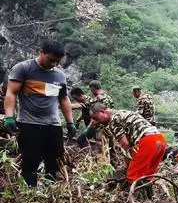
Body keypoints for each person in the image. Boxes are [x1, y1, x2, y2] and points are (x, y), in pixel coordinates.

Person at [2, 40, 76, 186]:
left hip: (53, 125)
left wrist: (70, 122)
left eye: (57, 61)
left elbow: (64, 99)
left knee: (53, 160)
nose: (54, 64)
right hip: (29, 124)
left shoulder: (59, 76)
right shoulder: (23, 68)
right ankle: (30, 193)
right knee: (31, 160)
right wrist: (9, 117)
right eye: (50, 60)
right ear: (41, 52)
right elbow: (11, 93)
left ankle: (49, 193)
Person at [79, 103, 166, 184]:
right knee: (147, 176)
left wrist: (127, 166)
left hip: (148, 142)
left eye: (96, 118)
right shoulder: (123, 112)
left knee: (132, 177)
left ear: (103, 112)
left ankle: (134, 199)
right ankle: (148, 198)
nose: (96, 121)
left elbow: (125, 144)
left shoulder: (113, 120)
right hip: (160, 140)